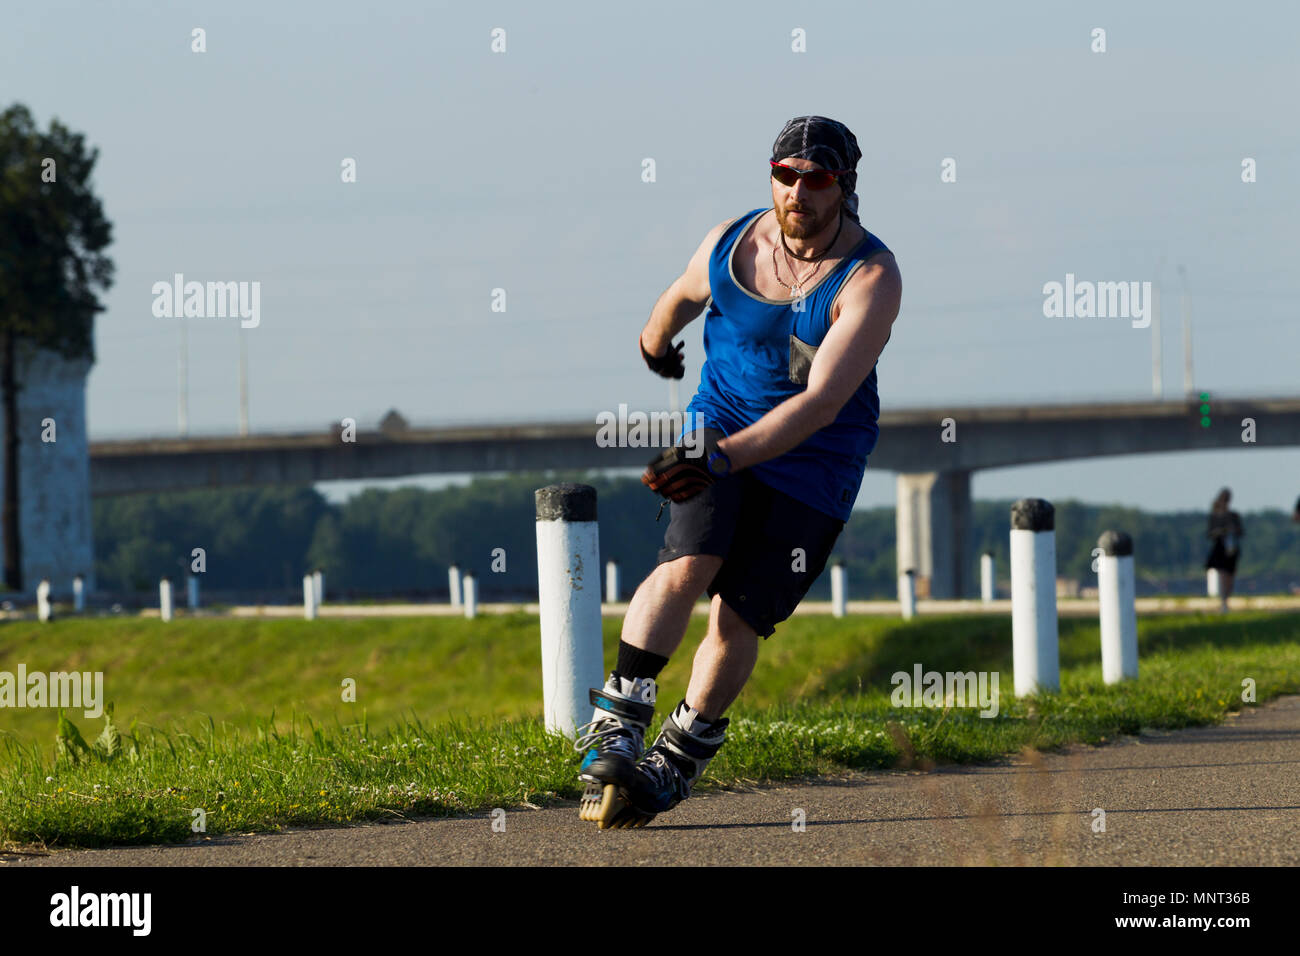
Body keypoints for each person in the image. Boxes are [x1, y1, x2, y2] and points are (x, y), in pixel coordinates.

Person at [574, 116, 902, 829]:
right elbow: (683, 294)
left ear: (844, 185)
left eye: (816, 180)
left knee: (738, 614)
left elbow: (818, 404)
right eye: (785, 176)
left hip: (814, 465)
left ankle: (678, 755)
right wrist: (656, 343)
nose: (798, 195)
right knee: (689, 562)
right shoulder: (733, 240)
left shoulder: (871, 277)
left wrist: (720, 458)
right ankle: (619, 715)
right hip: (715, 426)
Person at [1204, 488, 1244, 613]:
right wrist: (1222, 531)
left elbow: (1240, 531)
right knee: (1223, 574)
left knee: (1229, 575)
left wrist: (1232, 530)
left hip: (1231, 548)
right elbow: (1210, 533)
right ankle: (1224, 601)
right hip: (1220, 548)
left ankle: (1225, 600)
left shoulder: (1233, 516)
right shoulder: (1215, 516)